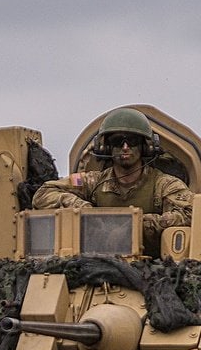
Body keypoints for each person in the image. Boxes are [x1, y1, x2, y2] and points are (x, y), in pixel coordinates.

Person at [31, 107, 192, 257]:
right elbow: (44, 193)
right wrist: (83, 209)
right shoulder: (93, 182)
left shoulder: (164, 185)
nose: (125, 147)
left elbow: (190, 214)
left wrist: (136, 225)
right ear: (106, 148)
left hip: (153, 265)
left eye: (132, 141)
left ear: (145, 147)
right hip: (99, 261)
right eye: (117, 141)